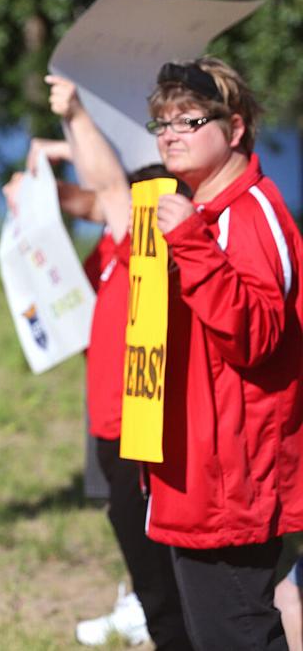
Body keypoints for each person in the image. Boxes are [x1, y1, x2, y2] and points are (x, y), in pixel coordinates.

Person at [6, 77, 193, 649]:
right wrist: (43, 176)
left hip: (138, 424)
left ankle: (165, 627)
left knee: (160, 565)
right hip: (111, 422)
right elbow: (89, 197)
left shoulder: (144, 238)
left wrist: (80, 115)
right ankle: (157, 621)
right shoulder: (115, 242)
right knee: (134, 538)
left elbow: (108, 189)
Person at [142, 56, 303, 650]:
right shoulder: (200, 210)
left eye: (189, 120)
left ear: (234, 129)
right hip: (197, 476)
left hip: (235, 482)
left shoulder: (251, 213)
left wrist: (189, 243)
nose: (170, 135)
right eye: (162, 122)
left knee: (239, 634)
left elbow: (259, 335)